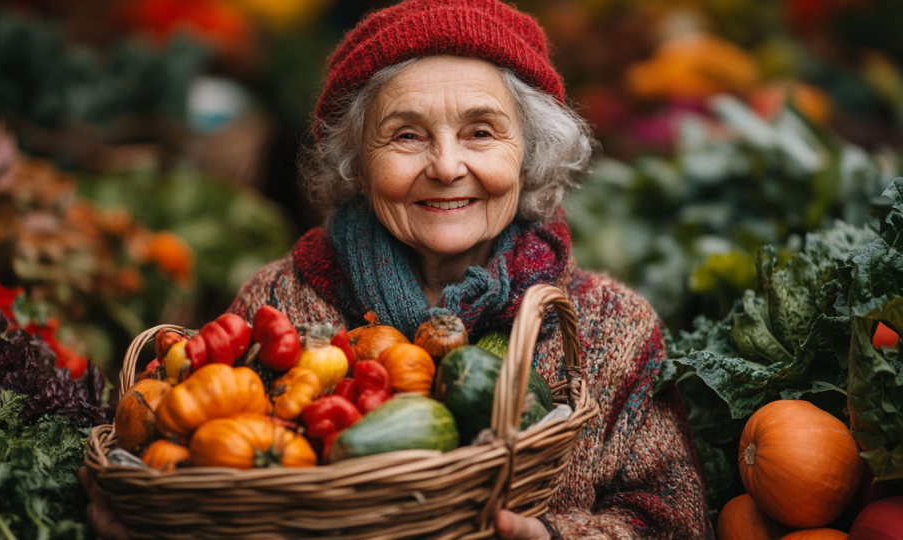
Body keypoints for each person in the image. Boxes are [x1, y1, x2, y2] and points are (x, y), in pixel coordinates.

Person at [82, 0, 712, 537]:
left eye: (481, 133)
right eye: (407, 136)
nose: (445, 166)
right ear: (356, 162)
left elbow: (674, 517)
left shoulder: (610, 327)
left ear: (531, 154)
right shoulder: (277, 301)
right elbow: (205, 466)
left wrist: (555, 535)